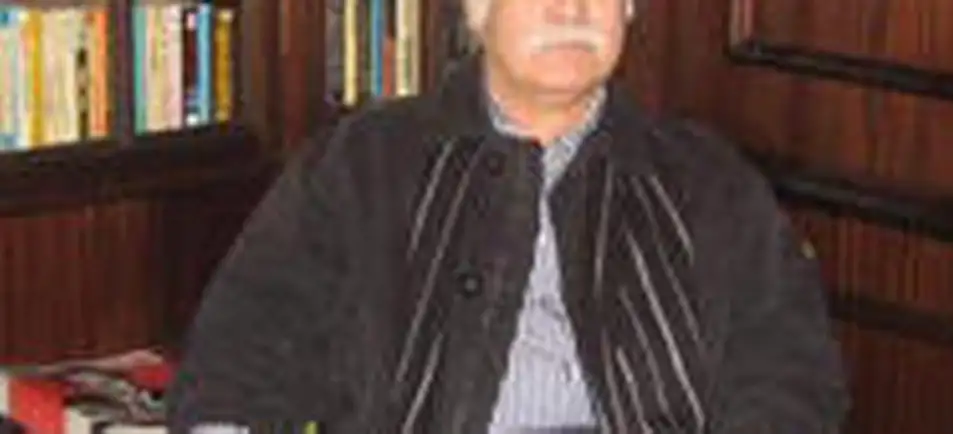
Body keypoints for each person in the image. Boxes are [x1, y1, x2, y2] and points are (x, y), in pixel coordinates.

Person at [166, 0, 849, 432]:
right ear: (477, 11)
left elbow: (789, 374)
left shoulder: (706, 181)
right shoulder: (365, 165)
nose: (572, 9)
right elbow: (245, 348)